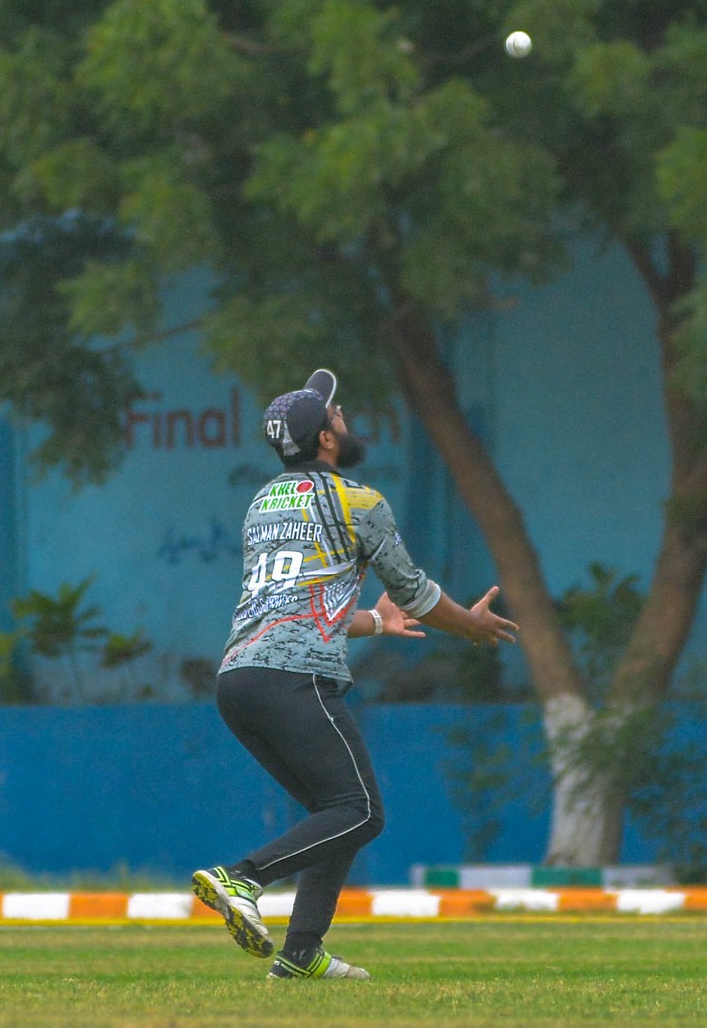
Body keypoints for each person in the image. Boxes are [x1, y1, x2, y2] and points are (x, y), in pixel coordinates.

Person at [192, 367, 519, 981]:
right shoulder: (359, 502)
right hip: (294, 679)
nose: (344, 418)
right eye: (337, 415)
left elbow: (294, 607)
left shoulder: (262, 505)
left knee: (333, 813)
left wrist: (374, 622)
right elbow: (415, 592)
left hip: (238, 680)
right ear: (325, 438)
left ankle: (300, 953)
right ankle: (241, 879)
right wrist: (470, 626)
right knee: (362, 811)